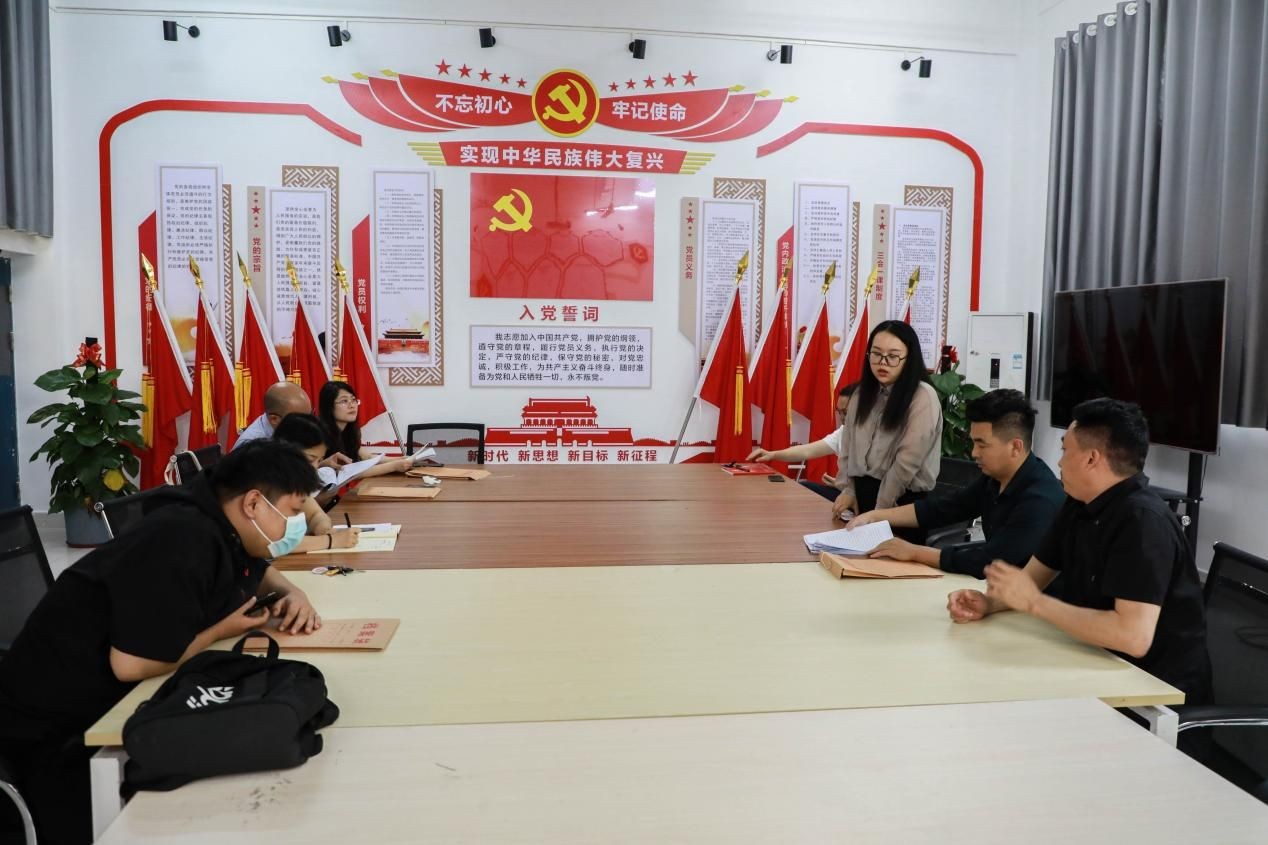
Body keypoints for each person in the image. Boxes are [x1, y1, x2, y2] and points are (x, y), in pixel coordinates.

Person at [0, 440, 325, 844]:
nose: (297, 524)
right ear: (254, 503)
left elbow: (257, 567)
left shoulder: (219, 516)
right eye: (293, 511)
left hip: (112, 703)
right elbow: (131, 664)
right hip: (58, 734)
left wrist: (293, 592)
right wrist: (219, 631)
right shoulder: (182, 538)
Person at [946, 398, 1211, 703]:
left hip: (1153, 695)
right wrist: (989, 603)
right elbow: (1032, 579)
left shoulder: (1143, 522)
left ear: (1091, 459)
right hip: (1090, 662)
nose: (1059, 463)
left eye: (1064, 450)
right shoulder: (1078, 503)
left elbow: (1132, 637)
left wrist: (1034, 603)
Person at [846, 389, 1065, 577]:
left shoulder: (1039, 500)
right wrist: (875, 516)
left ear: (1015, 447)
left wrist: (913, 552)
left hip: (1033, 604)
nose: (974, 453)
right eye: (973, 443)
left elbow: (989, 562)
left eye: (982, 445)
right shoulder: (994, 479)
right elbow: (944, 509)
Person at [832, 320, 943, 539]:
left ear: (909, 358)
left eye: (893, 356)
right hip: (862, 499)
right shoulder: (861, 394)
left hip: (901, 504)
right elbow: (848, 447)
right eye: (876, 354)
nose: (883, 363)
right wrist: (849, 490)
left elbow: (907, 461)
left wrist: (880, 511)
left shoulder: (922, 396)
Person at [747, 383, 858, 501]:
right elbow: (807, 451)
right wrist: (772, 454)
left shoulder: (871, 437)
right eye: (839, 412)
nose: (842, 418)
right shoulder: (844, 432)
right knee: (802, 487)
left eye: (845, 413)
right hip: (846, 493)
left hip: (862, 500)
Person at [273, 413, 362, 553]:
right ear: (286, 451)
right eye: (310, 460)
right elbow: (274, 543)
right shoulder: (265, 484)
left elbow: (315, 514)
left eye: (320, 460)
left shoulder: (294, 481)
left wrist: (323, 529)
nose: (315, 467)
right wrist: (331, 540)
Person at [317, 381, 414, 478]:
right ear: (329, 406)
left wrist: (401, 459)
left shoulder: (349, 431)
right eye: (344, 401)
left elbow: (367, 457)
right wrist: (393, 466)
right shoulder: (320, 434)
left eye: (353, 400)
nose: (352, 405)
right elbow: (347, 472)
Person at [231, 381, 313, 448]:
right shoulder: (251, 448)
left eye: (310, 416)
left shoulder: (288, 430)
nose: (307, 425)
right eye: (299, 420)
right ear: (274, 419)